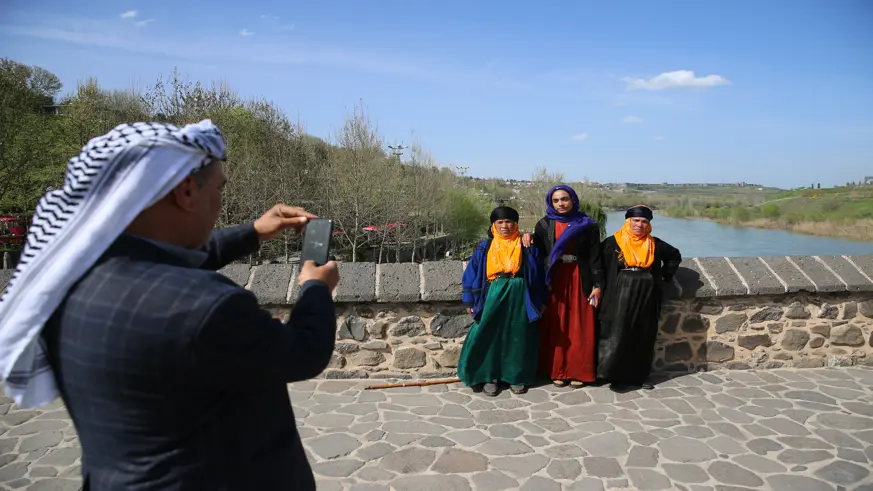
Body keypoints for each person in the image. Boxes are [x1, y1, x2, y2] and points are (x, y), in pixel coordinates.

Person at [0, 121, 340, 491]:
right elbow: (303, 352)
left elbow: (166, 260)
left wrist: (253, 232)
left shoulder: (63, 283)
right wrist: (315, 289)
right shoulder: (208, 307)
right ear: (187, 191)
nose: (219, 201)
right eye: (219, 188)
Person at [459, 206, 547, 396]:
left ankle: (516, 376)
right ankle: (488, 376)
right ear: (493, 225)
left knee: (519, 335)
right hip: (493, 291)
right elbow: (471, 275)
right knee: (487, 333)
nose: (505, 226)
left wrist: (541, 300)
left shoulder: (527, 246)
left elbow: (538, 275)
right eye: (500, 222)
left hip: (520, 292)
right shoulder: (485, 247)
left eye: (509, 222)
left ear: (515, 224)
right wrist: (469, 302)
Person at [523, 185, 603, 388]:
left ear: (573, 200)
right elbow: (537, 252)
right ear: (551, 203)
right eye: (556, 200)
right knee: (556, 324)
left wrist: (598, 284)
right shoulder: (544, 224)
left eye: (564, 199)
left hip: (579, 277)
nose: (561, 204)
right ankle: (556, 369)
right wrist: (526, 236)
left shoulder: (587, 225)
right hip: (554, 278)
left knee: (580, 324)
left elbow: (595, 257)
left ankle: (578, 370)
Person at [597, 204, 681, 391]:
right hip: (620, 291)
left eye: (644, 221)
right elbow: (598, 265)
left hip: (647, 292)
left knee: (643, 333)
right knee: (617, 332)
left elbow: (674, 256)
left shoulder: (655, 244)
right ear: (628, 221)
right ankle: (611, 374)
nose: (639, 225)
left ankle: (639, 376)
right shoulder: (613, 243)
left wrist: (665, 276)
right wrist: (598, 286)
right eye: (635, 220)